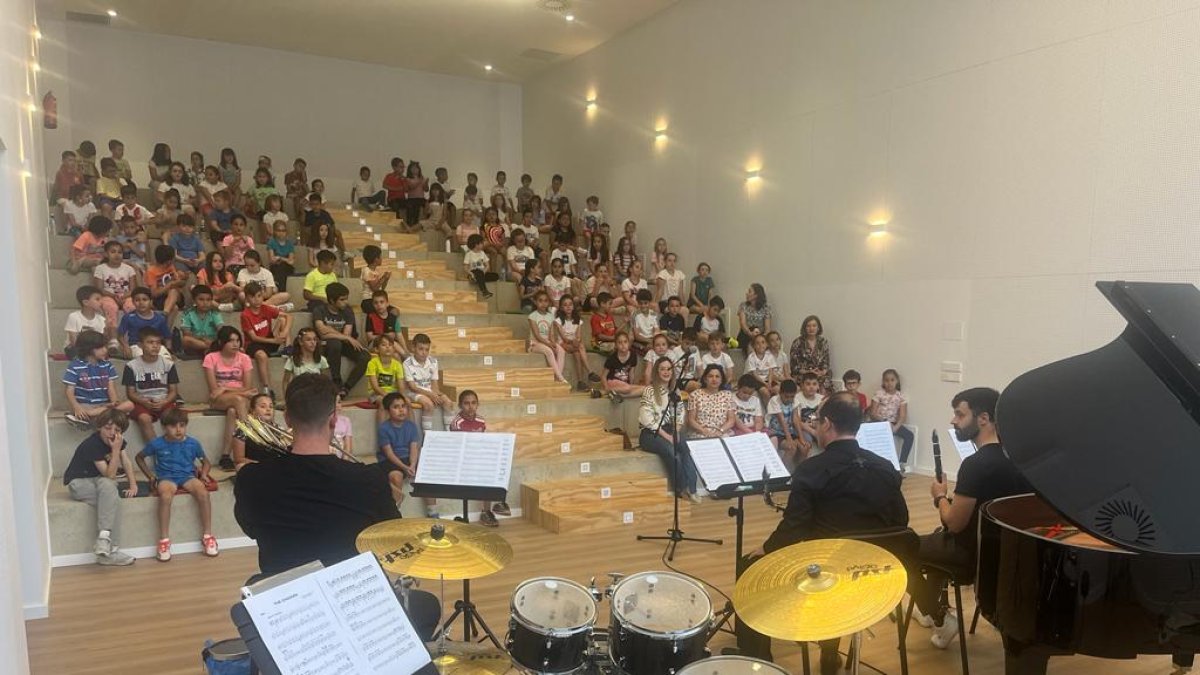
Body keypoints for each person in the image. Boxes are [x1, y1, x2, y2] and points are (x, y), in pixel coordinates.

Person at [738, 392, 909, 673]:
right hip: (877, 569)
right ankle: (829, 651)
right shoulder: (886, 467)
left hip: (828, 569)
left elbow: (794, 529)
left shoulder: (810, 470)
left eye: (817, 421)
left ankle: (756, 657)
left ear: (827, 424)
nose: (815, 426)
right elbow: (900, 519)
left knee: (750, 566)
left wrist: (765, 549)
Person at [232, 374, 401, 582]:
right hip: (349, 593)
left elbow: (251, 529)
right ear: (333, 419)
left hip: (285, 598)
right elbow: (390, 539)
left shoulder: (251, 478)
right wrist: (388, 499)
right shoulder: (369, 479)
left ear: (286, 418)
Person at [911, 387, 1031, 649]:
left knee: (901, 548)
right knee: (935, 539)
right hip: (1005, 556)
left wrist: (939, 497)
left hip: (972, 557)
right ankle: (934, 611)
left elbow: (954, 524)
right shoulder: (1018, 459)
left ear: (983, 418)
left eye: (959, 414)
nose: (953, 421)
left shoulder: (976, 465)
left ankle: (940, 617)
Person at [136, 407, 218, 562]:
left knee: (203, 493)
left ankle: (208, 536)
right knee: (165, 496)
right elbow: (139, 457)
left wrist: (204, 474)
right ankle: (164, 541)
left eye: (182, 425)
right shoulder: (157, 443)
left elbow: (205, 462)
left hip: (187, 476)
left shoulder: (193, 443)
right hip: (166, 478)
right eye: (173, 426)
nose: (178, 429)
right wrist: (150, 476)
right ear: (164, 427)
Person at [63, 409, 137, 566]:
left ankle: (105, 543)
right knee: (111, 496)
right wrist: (115, 450)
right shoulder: (92, 444)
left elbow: (126, 462)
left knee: (111, 494)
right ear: (99, 428)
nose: (111, 433)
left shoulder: (118, 440)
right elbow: (110, 475)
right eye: (107, 428)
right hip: (78, 484)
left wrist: (133, 484)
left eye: (117, 430)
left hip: (99, 482)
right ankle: (112, 550)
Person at [639, 357, 699, 501]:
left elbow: (680, 413)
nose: (666, 372)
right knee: (671, 452)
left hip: (671, 430)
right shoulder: (649, 391)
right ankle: (680, 488)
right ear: (656, 372)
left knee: (685, 448)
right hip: (651, 433)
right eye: (662, 369)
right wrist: (668, 437)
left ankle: (692, 489)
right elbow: (647, 419)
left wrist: (676, 432)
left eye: (669, 369)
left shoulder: (675, 391)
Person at [448, 390, 511, 526]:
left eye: (473, 403)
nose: (470, 407)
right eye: (466, 403)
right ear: (460, 405)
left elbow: (483, 441)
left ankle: (496, 505)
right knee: (486, 472)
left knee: (500, 464)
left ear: (478, 404)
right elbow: (458, 447)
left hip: (478, 457)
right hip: (464, 461)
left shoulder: (481, 420)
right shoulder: (457, 423)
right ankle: (489, 509)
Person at [203, 326, 257, 471]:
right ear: (221, 342)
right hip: (219, 399)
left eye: (238, 340)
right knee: (238, 401)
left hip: (238, 397)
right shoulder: (211, 358)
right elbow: (214, 391)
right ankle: (250, 440)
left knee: (233, 411)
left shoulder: (244, 358)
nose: (235, 344)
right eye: (231, 341)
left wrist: (226, 388)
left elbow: (248, 386)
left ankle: (225, 456)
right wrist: (241, 393)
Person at [63, 329, 134, 429]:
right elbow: (69, 391)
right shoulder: (75, 366)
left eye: (105, 346)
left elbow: (111, 388)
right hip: (85, 404)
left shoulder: (107, 365)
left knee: (129, 405)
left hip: (105, 405)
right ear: (88, 349)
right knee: (103, 413)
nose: (105, 350)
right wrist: (76, 407)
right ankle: (92, 417)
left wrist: (114, 402)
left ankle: (90, 417)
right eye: (100, 348)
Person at [377, 392, 434, 515]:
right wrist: (404, 467)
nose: (401, 410)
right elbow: (389, 453)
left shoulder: (411, 426)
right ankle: (394, 512)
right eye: (396, 407)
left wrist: (413, 465)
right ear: (388, 411)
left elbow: (414, 448)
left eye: (403, 406)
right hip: (391, 460)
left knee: (426, 474)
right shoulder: (384, 428)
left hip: (408, 458)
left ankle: (433, 512)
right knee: (396, 477)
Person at [123, 328, 180, 442]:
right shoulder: (131, 366)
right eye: (150, 342)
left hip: (164, 401)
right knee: (144, 418)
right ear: (140, 345)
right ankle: (158, 451)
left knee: (175, 418)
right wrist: (144, 402)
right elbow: (130, 393)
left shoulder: (168, 364)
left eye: (158, 343)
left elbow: (173, 391)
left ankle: (174, 450)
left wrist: (164, 402)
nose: (155, 346)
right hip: (142, 402)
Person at [315, 282, 370, 397]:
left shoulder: (347, 310)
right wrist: (343, 336)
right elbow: (322, 334)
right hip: (325, 346)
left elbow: (347, 334)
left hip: (343, 344)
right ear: (331, 300)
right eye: (342, 299)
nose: (345, 302)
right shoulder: (319, 310)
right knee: (334, 343)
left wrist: (329, 329)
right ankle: (336, 380)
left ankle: (347, 387)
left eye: (346, 299)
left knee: (365, 356)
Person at [241, 282, 294, 398]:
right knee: (262, 355)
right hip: (254, 344)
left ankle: (287, 348)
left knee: (283, 320)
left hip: (269, 340)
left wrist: (284, 332)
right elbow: (253, 337)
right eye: (253, 297)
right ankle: (267, 389)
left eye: (259, 296)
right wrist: (274, 341)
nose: (256, 300)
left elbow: (289, 316)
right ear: (247, 298)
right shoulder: (245, 314)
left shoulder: (266, 308)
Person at [869, 369, 914, 471]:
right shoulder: (879, 394)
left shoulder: (900, 397)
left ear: (897, 381)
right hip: (879, 422)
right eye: (886, 380)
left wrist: (896, 427)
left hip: (893, 423)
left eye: (892, 380)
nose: (889, 383)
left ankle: (901, 463)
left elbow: (903, 416)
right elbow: (873, 413)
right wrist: (884, 422)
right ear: (883, 382)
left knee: (909, 435)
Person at [404, 333, 454, 426]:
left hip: (429, 391)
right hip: (413, 393)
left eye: (427, 349)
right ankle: (427, 434)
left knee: (448, 402)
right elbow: (412, 387)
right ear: (413, 348)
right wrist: (430, 395)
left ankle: (449, 432)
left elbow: (434, 384)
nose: (424, 352)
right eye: (421, 349)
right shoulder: (407, 363)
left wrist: (436, 394)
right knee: (428, 405)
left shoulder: (433, 361)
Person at [92, 240, 138, 334]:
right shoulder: (100, 268)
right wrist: (114, 296)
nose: (117, 255)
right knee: (110, 307)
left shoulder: (129, 269)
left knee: (132, 306)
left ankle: (135, 334)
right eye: (113, 252)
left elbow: (133, 289)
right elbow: (99, 289)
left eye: (120, 252)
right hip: (108, 296)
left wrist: (123, 296)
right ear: (106, 254)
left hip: (126, 296)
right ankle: (112, 336)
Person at [554, 295, 596, 391]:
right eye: (565, 305)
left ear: (573, 306)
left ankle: (580, 382)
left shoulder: (578, 321)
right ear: (561, 308)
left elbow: (579, 336)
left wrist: (576, 341)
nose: (568, 307)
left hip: (574, 345)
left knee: (577, 352)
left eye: (570, 304)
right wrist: (574, 341)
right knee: (579, 347)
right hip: (563, 344)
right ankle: (590, 371)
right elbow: (564, 338)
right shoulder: (558, 321)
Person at [116, 287, 170, 360]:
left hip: (156, 345)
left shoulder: (160, 318)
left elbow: (167, 337)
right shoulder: (128, 317)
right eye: (137, 300)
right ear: (133, 302)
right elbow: (120, 336)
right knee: (146, 358)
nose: (141, 303)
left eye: (145, 300)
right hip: (136, 346)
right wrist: (125, 347)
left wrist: (169, 350)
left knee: (167, 360)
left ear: (151, 301)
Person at [687, 364, 737, 439]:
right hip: (700, 434)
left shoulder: (728, 395)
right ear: (705, 379)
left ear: (721, 380)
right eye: (710, 376)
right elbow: (691, 420)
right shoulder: (695, 395)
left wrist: (720, 431)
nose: (714, 379)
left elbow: (731, 420)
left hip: (723, 433)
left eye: (717, 376)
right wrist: (704, 431)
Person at [527, 290, 567, 383]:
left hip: (547, 342)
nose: (543, 303)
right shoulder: (532, 316)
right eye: (540, 301)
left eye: (545, 301)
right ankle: (561, 378)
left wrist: (553, 343)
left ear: (549, 302)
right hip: (535, 344)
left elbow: (551, 334)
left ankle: (557, 378)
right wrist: (549, 345)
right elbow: (537, 336)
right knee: (549, 351)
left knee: (561, 350)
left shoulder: (550, 316)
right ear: (535, 302)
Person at [231, 393, 277, 469]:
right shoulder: (243, 430)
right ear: (253, 411)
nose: (268, 409)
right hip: (254, 466)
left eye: (271, 407)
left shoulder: (278, 429)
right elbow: (238, 459)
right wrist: (261, 464)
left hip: (274, 467)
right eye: (263, 406)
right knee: (240, 466)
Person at [790, 314, 833, 393]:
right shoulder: (797, 342)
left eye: (814, 326)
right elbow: (794, 366)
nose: (811, 328)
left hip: (819, 374)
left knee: (825, 383)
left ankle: (822, 404)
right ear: (804, 328)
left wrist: (822, 371)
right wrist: (808, 372)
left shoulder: (823, 342)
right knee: (810, 383)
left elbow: (826, 362)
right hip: (803, 374)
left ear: (818, 327)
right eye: (808, 326)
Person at [366, 335, 405, 419]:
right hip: (376, 394)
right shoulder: (372, 363)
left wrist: (401, 397)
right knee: (384, 403)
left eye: (390, 345)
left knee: (407, 403)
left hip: (393, 393)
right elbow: (375, 387)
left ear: (394, 349)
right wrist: (388, 396)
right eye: (383, 345)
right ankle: (382, 430)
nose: (388, 347)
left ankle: (410, 429)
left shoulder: (397, 364)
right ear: (376, 349)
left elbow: (401, 386)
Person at [65, 286, 108, 356]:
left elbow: (101, 341)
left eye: (101, 299)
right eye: (97, 299)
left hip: (93, 349)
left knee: (103, 351)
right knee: (75, 352)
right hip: (75, 347)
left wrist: (107, 324)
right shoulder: (74, 316)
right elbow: (73, 340)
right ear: (85, 302)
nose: (101, 302)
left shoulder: (101, 319)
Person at [602, 332, 644, 402]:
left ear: (629, 343)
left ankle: (617, 395)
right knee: (627, 389)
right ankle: (609, 391)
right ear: (616, 345)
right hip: (612, 382)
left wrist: (631, 385)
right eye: (620, 343)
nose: (623, 345)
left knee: (644, 389)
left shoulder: (633, 355)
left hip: (624, 385)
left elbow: (631, 372)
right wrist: (606, 388)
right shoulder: (612, 358)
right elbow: (603, 376)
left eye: (625, 342)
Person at [179, 285, 222, 355]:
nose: (205, 303)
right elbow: (186, 334)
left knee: (224, 338)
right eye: (201, 299)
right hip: (196, 343)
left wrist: (214, 341)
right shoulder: (188, 313)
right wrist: (204, 340)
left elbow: (221, 329)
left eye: (208, 300)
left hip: (212, 341)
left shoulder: (215, 313)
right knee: (185, 340)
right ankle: (211, 348)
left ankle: (210, 349)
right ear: (194, 300)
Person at [736, 284, 772, 356]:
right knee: (748, 344)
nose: (747, 293)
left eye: (749, 291)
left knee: (764, 343)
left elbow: (767, 328)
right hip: (746, 334)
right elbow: (743, 324)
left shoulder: (766, 308)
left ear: (756, 295)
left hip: (760, 334)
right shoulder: (743, 305)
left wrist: (760, 337)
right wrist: (750, 333)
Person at [265, 218, 296, 292]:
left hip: (287, 267)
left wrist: (280, 258)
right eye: (279, 230)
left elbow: (291, 261)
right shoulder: (272, 242)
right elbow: (272, 259)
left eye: (283, 230)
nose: (281, 233)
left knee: (283, 267)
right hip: (275, 266)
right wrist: (285, 259)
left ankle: (279, 288)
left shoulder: (290, 244)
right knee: (280, 267)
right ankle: (281, 290)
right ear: (275, 231)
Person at [359, 245, 392, 313]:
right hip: (368, 300)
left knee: (394, 311)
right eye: (380, 257)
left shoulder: (376, 271)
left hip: (377, 299)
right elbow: (374, 289)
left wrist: (386, 279)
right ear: (375, 259)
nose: (381, 259)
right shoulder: (366, 270)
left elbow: (382, 289)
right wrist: (383, 277)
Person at [463, 234, 497, 299]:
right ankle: (484, 292)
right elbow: (465, 267)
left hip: (482, 272)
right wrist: (471, 273)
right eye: (481, 243)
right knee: (478, 272)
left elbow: (487, 265)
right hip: (473, 272)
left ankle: (477, 280)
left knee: (495, 276)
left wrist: (484, 272)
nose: (483, 244)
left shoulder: (482, 253)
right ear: (476, 244)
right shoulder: (469, 254)